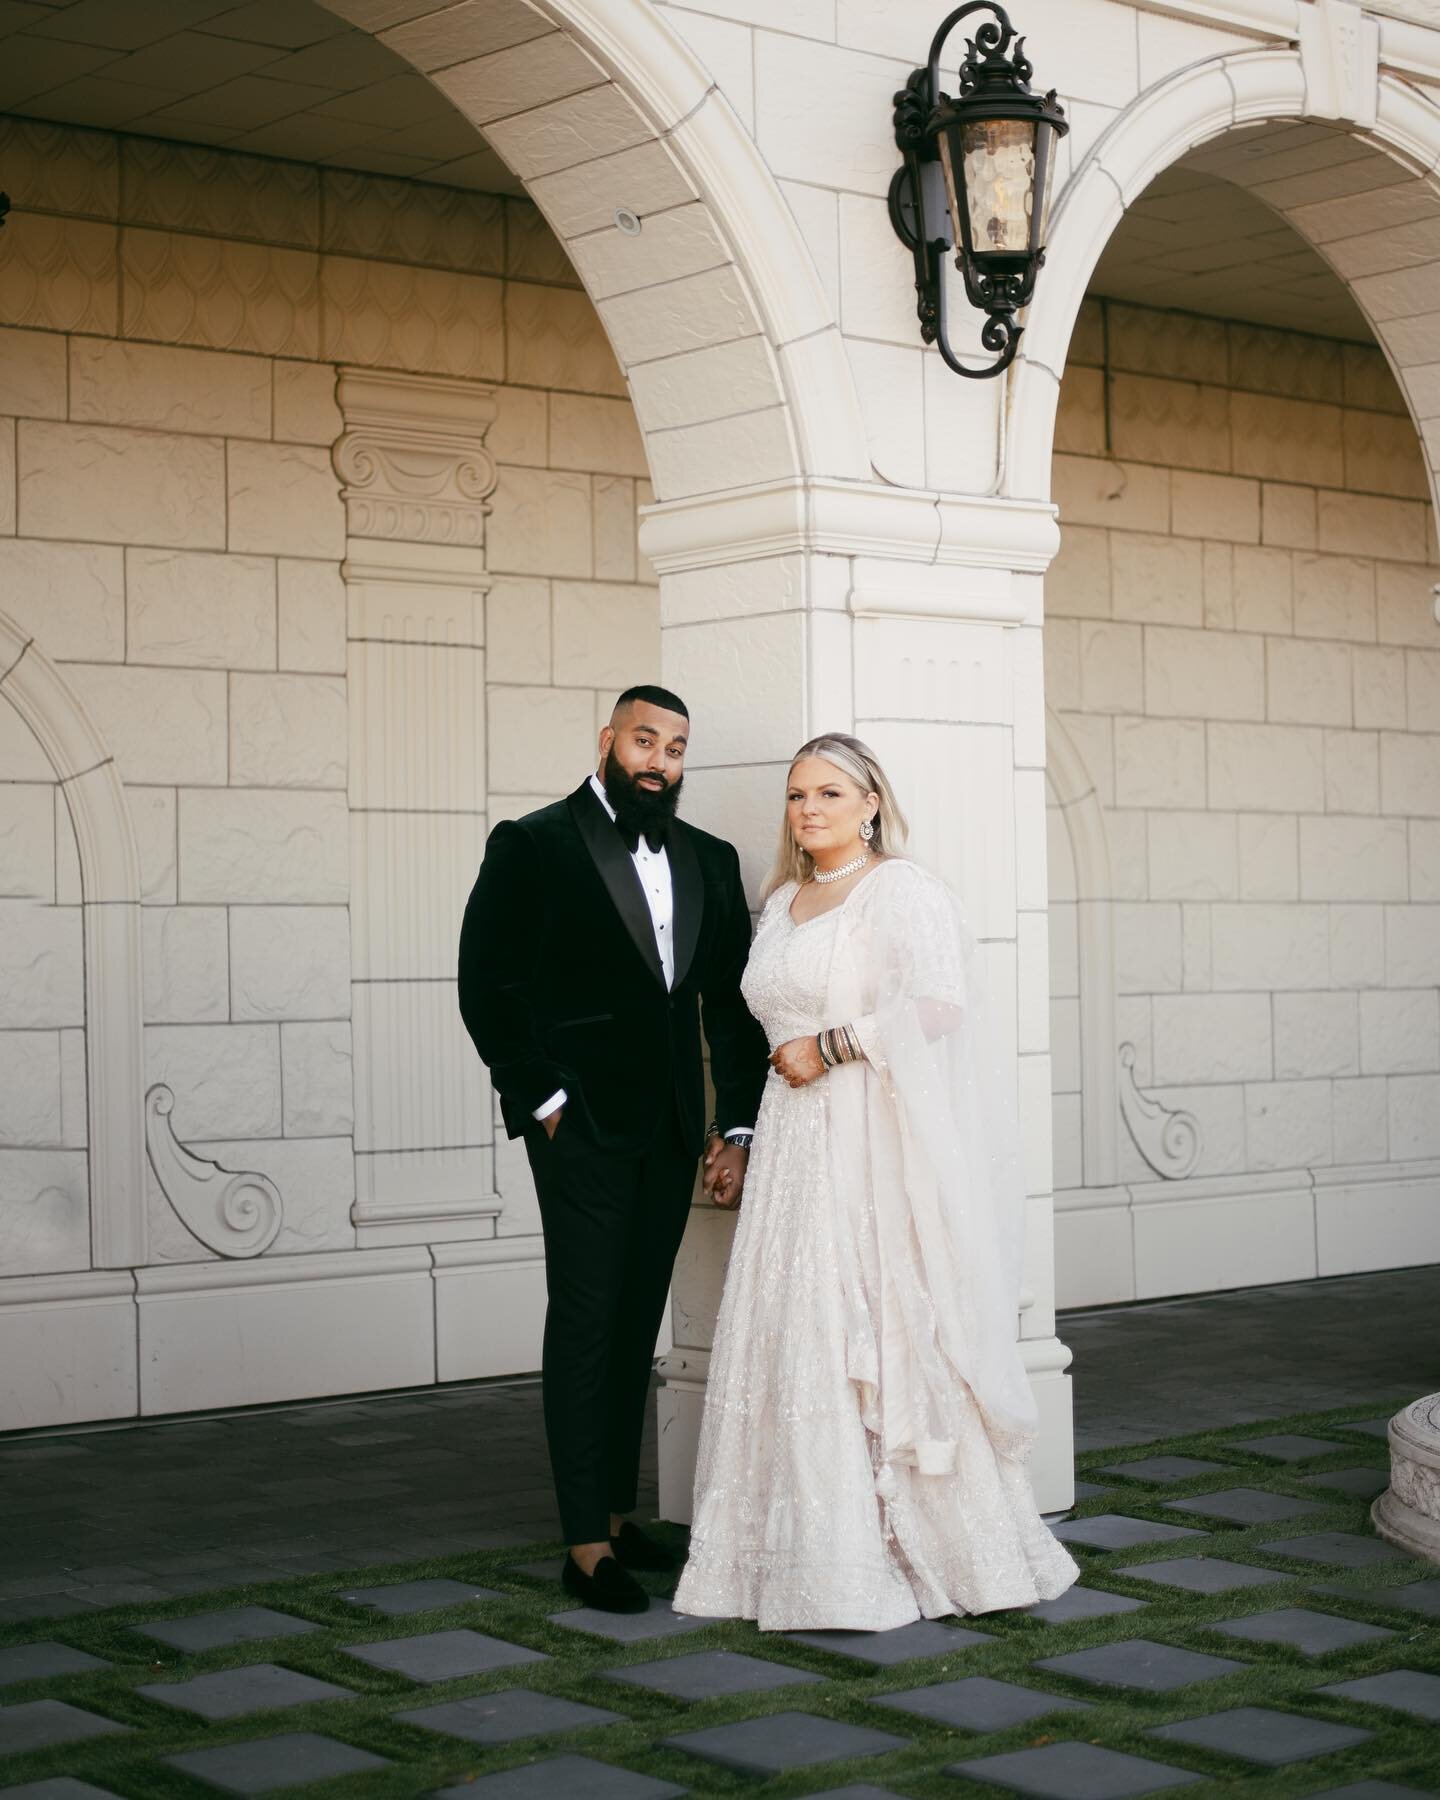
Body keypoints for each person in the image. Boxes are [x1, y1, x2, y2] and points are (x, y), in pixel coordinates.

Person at [673, 733, 1080, 1629]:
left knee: (867, 1317)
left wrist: (832, 1044)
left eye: (828, 792)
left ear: (869, 803)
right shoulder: (781, 901)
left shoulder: (902, 889)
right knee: (794, 1324)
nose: (807, 809)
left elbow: (938, 1005)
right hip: (790, 1146)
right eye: (794, 795)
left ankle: (907, 1542)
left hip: (863, 1137)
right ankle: (796, 1548)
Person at [458, 685, 770, 1614]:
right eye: (644, 740)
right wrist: (546, 1101)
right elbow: (489, 985)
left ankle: (616, 1510)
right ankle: (583, 1541)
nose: (659, 761)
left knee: (637, 1319)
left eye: (675, 748)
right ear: (608, 742)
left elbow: (732, 1005)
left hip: (672, 1130)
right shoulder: (535, 844)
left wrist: (736, 1122)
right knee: (588, 1319)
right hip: (582, 1129)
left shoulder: (709, 860)